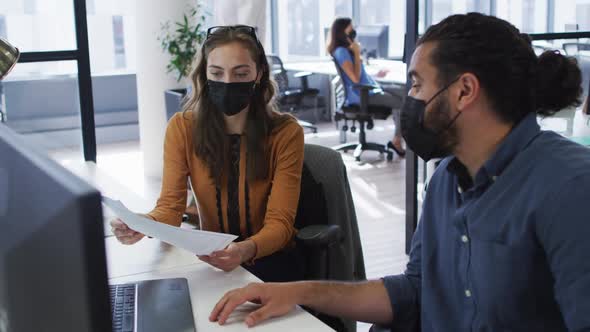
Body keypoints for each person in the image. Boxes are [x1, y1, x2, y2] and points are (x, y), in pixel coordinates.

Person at [209, 13, 590, 331]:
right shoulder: (446, 180)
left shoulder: (569, 187)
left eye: (417, 84)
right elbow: (416, 290)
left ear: (464, 91)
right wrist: (296, 293)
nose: (411, 99)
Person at [110, 25, 306, 283]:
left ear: (258, 74)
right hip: (212, 261)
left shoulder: (286, 132)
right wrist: (141, 224)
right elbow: (170, 208)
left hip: (270, 261)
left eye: (241, 73)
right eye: (217, 72)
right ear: (205, 74)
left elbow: (281, 224)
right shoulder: (182, 128)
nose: (227, 82)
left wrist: (244, 250)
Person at [328, 17, 406, 157]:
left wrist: (375, 74)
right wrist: (357, 53)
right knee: (401, 102)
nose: (353, 31)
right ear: (342, 32)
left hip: (369, 88)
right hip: (361, 95)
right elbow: (356, 79)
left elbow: (360, 75)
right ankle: (397, 140)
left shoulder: (346, 50)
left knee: (405, 91)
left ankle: (398, 138)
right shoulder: (341, 52)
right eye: (350, 28)